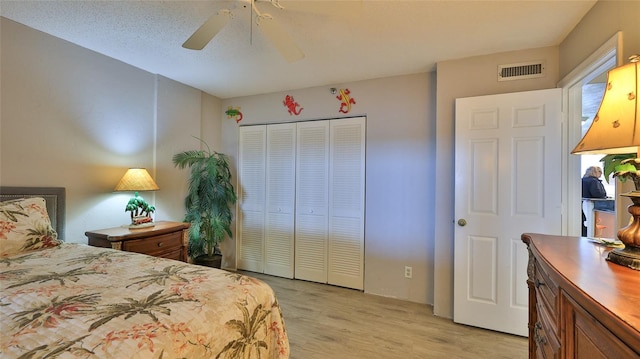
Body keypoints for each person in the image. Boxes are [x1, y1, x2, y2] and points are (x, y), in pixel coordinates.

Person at [581, 166, 608, 236]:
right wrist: (604, 195)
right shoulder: (594, 181)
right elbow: (597, 194)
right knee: (591, 223)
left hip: (582, 204)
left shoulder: (582, 180)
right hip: (591, 204)